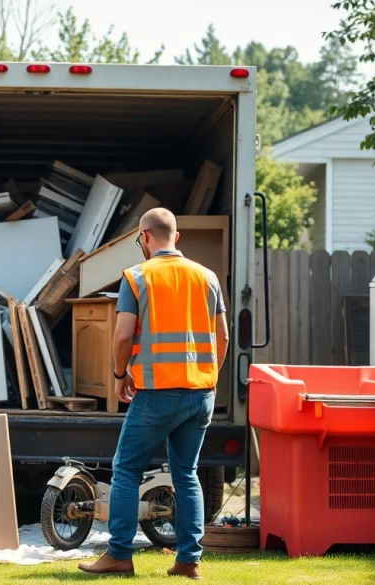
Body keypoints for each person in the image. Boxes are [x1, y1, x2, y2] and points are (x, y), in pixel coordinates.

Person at [78, 208, 229, 579]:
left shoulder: (137, 277)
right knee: (187, 475)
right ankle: (188, 561)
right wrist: (208, 377)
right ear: (175, 237)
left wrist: (118, 375)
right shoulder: (207, 277)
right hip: (200, 392)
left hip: (157, 392)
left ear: (144, 237)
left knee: (127, 470)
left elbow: (123, 335)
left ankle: (118, 556)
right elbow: (223, 336)